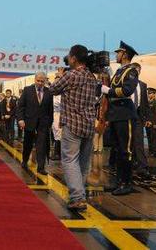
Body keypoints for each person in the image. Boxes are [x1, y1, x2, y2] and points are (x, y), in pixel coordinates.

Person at [49, 45, 98, 210]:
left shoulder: (70, 75)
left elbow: (52, 89)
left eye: (69, 56)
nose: (68, 59)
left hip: (72, 124)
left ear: (74, 58)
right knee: (83, 164)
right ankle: (80, 196)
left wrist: (59, 76)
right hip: (89, 126)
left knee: (69, 161)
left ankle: (77, 198)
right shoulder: (92, 77)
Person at [101, 41, 139, 195]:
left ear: (125, 55)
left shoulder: (131, 71)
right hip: (116, 113)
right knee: (117, 149)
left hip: (125, 113)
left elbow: (127, 90)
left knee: (126, 150)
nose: (116, 55)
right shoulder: (118, 71)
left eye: (118, 52)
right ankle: (118, 181)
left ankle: (126, 183)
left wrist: (108, 91)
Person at [17, 72, 53, 175]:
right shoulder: (27, 90)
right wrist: (21, 119)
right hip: (29, 122)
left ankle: (41, 167)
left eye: (42, 81)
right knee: (28, 144)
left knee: (41, 145)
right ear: (35, 80)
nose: (40, 83)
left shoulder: (49, 92)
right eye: (38, 81)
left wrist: (49, 123)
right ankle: (24, 161)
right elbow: (21, 106)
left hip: (43, 124)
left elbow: (51, 109)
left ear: (45, 81)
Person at [130, 62, 152, 179]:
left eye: (137, 70)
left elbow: (145, 103)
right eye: (134, 69)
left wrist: (148, 118)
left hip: (138, 116)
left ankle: (143, 167)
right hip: (127, 115)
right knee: (126, 142)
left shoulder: (143, 85)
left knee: (139, 142)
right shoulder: (126, 84)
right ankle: (124, 164)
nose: (136, 71)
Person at [145, 87, 156, 158]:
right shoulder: (147, 103)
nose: (149, 95)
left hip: (153, 124)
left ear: (154, 94)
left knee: (154, 139)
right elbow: (146, 113)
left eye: (150, 93)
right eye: (148, 93)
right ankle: (151, 151)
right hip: (148, 124)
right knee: (149, 138)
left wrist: (155, 123)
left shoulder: (155, 103)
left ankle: (154, 152)